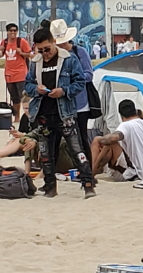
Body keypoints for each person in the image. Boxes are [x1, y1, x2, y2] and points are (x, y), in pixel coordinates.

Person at [24, 27, 96, 198]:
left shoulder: (69, 59)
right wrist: (36, 89)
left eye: (47, 49)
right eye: (40, 50)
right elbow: (27, 84)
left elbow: (80, 82)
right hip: (43, 112)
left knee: (77, 150)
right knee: (46, 153)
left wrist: (64, 91)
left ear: (53, 42)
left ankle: (88, 183)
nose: (45, 54)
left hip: (65, 112)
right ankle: (50, 186)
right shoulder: (35, 62)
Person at [51, 18, 94, 167]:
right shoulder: (53, 55)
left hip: (80, 104)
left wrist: (70, 81)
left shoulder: (80, 52)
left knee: (81, 138)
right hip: (59, 104)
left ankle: (88, 170)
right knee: (55, 139)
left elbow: (89, 74)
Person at [91, 99, 143, 181]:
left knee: (103, 141)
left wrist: (99, 140)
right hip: (142, 172)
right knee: (110, 143)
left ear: (121, 116)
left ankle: (90, 174)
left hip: (130, 174)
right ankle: (92, 172)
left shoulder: (125, 125)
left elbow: (114, 137)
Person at [0, 23, 32, 122]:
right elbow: (0, 55)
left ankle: (28, 116)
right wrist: (0, 51)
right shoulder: (4, 42)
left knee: (24, 97)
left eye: (15, 30)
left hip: (21, 73)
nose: (13, 32)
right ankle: (16, 118)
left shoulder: (22, 42)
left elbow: (30, 54)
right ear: (7, 32)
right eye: (11, 30)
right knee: (14, 98)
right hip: (9, 75)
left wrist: (21, 52)